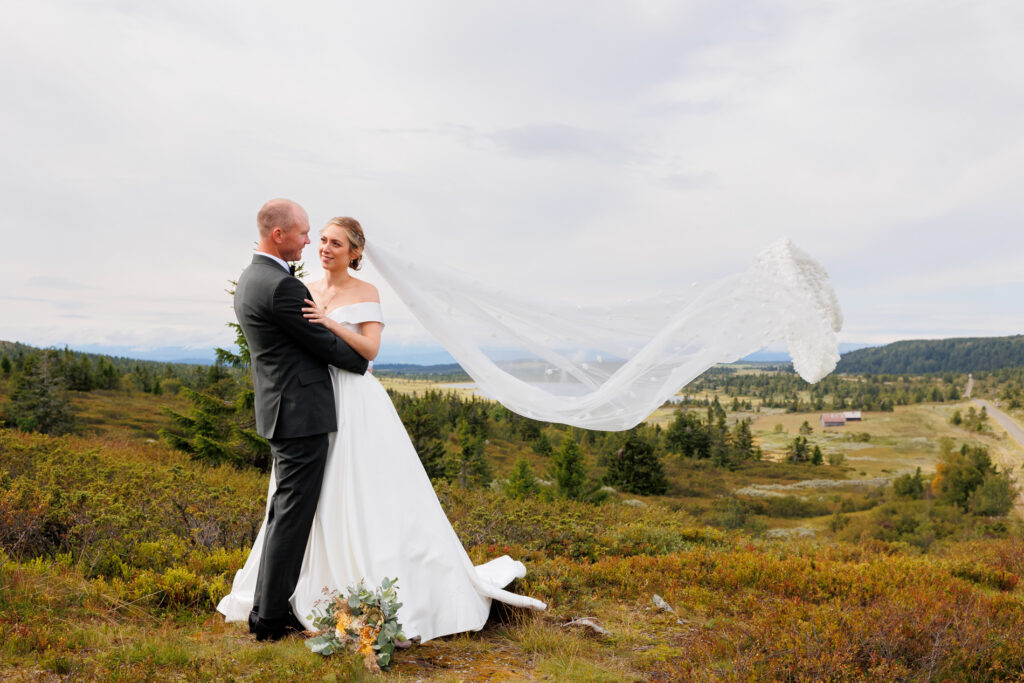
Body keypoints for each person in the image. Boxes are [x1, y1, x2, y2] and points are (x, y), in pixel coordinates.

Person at [218, 216, 546, 643]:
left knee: (361, 485)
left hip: (354, 397)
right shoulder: (304, 288)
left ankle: (370, 574)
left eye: (336, 243)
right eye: (321, 240)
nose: (325, 248)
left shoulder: (365, 292)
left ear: (355, 252)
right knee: (309, 498)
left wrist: (330, 322)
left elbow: (370, 350)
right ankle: (303, 586)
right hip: (313, 400)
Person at [225, 200, 369, 642]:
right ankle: (269, 621)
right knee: (291, 517)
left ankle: (269, 608)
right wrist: (360, 358)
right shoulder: (282, 287)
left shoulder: (253, 278)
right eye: (306, 233)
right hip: (300, 414)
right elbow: (322, 344)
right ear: (279, 235)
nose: (311, 241)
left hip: (281, 408)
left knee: (282, 513)